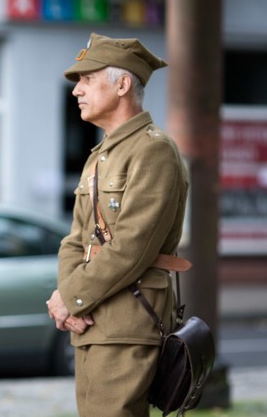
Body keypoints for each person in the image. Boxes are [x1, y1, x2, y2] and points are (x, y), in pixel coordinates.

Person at [46, 33, 189, 416]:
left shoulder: (153, 150)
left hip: (128, 322)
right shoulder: (102, 154)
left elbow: (133, 245)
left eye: (87, 79)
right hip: (91, 323)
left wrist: (71, 298)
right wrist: (69, 299)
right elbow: (74, 240)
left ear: (122, 85)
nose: (77, 91)